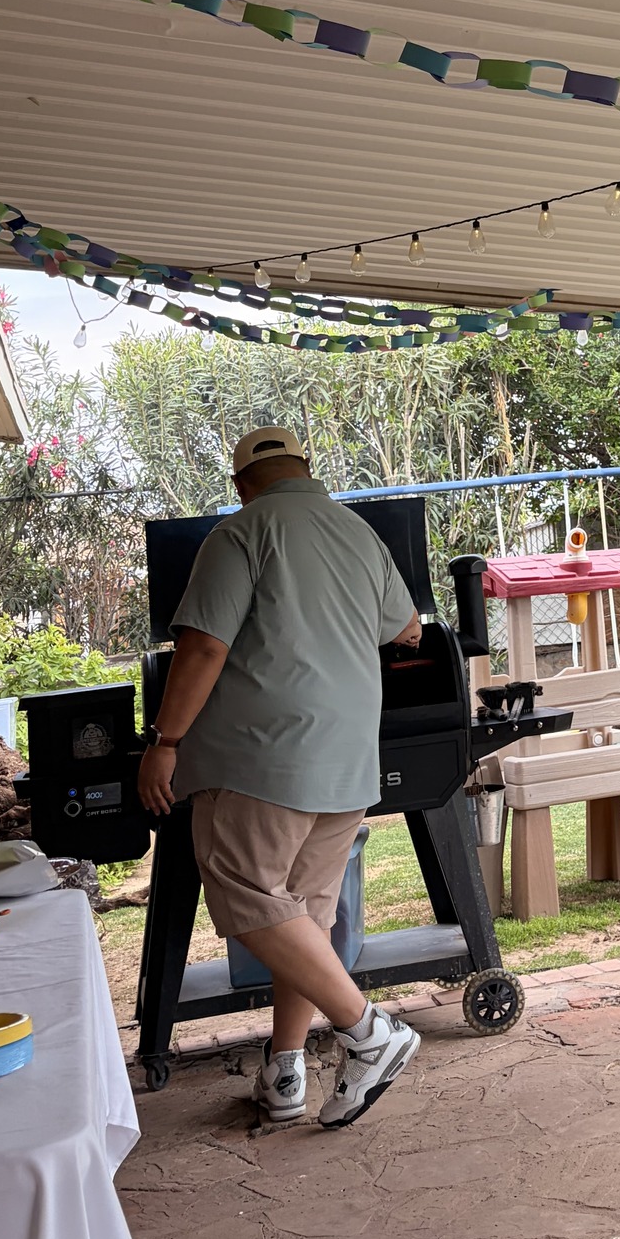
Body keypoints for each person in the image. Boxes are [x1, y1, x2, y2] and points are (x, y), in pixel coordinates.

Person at [138, 427, 424, 1128]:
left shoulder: (238, 536)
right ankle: (286, 1071)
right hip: (347, 757)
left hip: (261, 759)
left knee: (249, 899)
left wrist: (166, 741)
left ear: (242, 484)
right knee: (304, 914)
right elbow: (409, 629)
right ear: (306, 469)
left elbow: (203, 645)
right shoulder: (359, 534)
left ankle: (368, 1032)